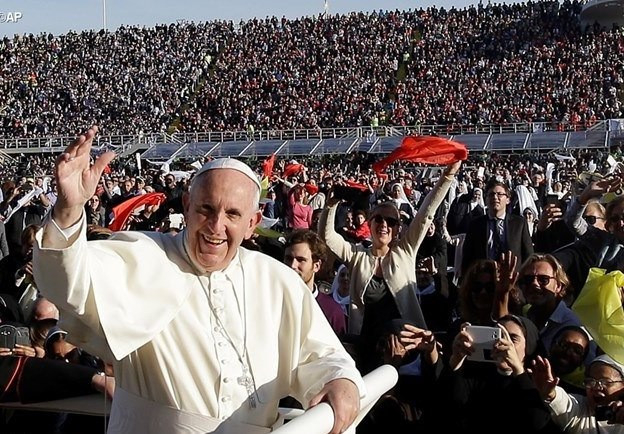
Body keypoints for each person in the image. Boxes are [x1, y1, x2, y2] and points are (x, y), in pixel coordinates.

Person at [34, 127, 364, 434]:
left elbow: (321, 355)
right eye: (206, 209)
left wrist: (341, 381)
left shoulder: (278, 281)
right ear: (188, 206)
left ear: (252, 223)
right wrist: (68, 211)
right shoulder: (141, 255)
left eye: (232, 214)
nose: (216, 226)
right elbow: (68, 282)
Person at [319, 161, 460, 371]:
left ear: (397, 228)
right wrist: (331, 205)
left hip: (408, 345)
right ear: (370, 224)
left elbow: (426, 214)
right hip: (368, 347)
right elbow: (327, 237)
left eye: (391, 221)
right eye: (378, 219)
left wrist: (447, 176)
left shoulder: (405, 251)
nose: (384, 224)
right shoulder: (356, 255)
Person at [532, 353, 624, 433]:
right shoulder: (581, 407)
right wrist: (551, 393)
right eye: (591, 381)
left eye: (605, 382)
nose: (596, 387)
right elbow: (564, 403)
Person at [461, 181, 533, 276]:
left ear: (508, 200)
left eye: (499, 194)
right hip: (484, 280)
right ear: (486, 199)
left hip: (512, 279)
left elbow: (528, 255)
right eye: (491, 194)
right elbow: (467, 257)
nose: (495, 197)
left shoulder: (519, 223)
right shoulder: (476, 225)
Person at [284, 230, 347, 336]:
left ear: (316, 266)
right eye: (288, 259)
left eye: (301, 260)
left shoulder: (332, 311)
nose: (293, 265)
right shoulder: (273, 301)